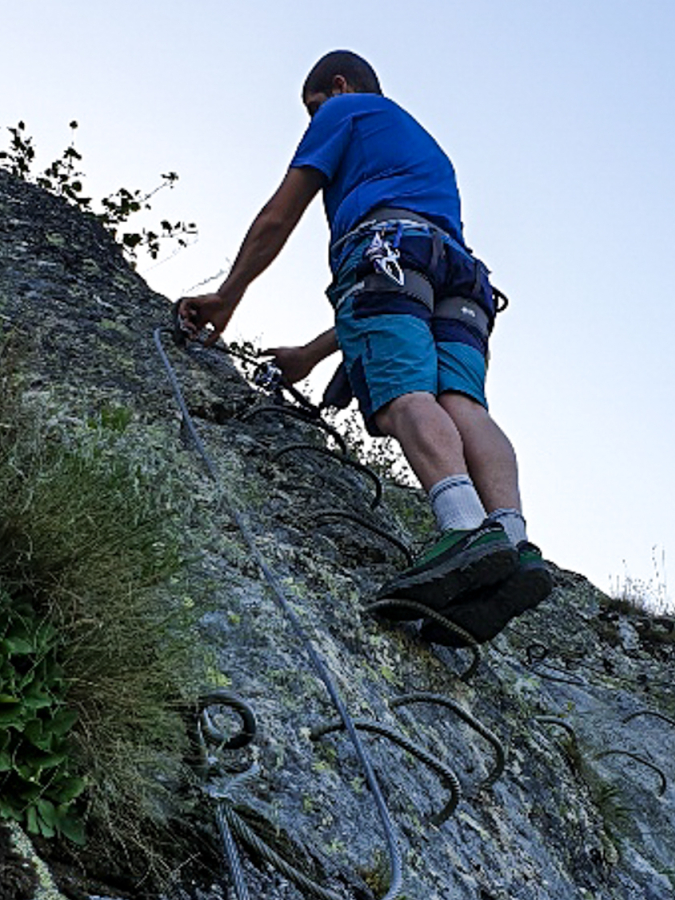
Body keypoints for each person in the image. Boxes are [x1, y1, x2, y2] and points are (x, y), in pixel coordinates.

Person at [176, 50, 551, 645]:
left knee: (403, 396)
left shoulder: (346, 109)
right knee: (462, 405)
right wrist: (314, 353)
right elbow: (403, 303)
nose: (311, 121)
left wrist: (228, 295)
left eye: (311, 108)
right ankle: (511, 540)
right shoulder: (418, 147)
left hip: (384, 246)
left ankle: (463, 528)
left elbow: (281, 215)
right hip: (461, 276)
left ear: (339, 85)